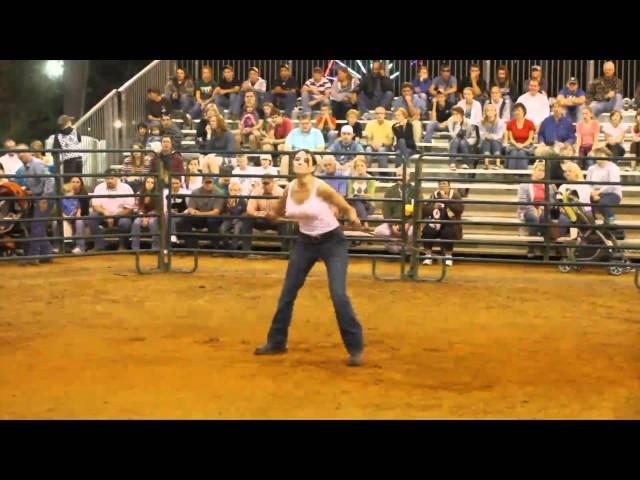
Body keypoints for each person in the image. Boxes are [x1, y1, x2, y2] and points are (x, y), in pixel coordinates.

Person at [253, 150, 365, 367]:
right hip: (305, 242)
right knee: (287, 293)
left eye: (305, 160)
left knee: (338, 294)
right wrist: (269, 216)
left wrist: (353, 218)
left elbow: (346, 208)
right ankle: (276, 342)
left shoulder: (321, 187)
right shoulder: (290, 188)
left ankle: (355, 348)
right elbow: (276, 213)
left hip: (332, 242)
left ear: (313, 167)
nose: (300, 162)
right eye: (297, 159)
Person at [88, 169, 135, 251]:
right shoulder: (99, 188)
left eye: (111, 178)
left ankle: (122, 246)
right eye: (107, 178)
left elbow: (129, 208)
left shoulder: (126, 188)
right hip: (104, 214)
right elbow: (95, 205)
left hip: (121, 215)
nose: (109, 181)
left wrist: (114, 216)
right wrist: (105, 212)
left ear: (117, 178)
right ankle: (99, 246)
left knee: (125, 222)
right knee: (92, 217)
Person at [516, 161, 556, 256]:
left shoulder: (548, 186)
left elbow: (551, 201)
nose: (541, 173)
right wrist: (534, 209)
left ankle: (542, 245)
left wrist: (541, 208)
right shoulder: (524, 185)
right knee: (534, 217)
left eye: (543, 171)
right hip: (527, 209)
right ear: (533, 171)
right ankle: (532, 247)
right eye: (539, 170)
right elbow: (522, 201)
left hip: (543, 209)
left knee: (543, 217)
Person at [421, 180, 464, 266]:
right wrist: (433, 207)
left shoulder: (455, 195)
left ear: (449, 185)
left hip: (451, 222)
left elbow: (459, 210)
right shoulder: (434, 195)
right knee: (427, 230)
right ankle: (428, 256)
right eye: (440, 184)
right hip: (436, 222)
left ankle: (448, 257)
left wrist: (448, 200)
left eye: (444, 183)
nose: (442, 185)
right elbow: (425, 210)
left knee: (448, 231)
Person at [177, 174, 225, 250]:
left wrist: (199, 213)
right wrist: (192, 211)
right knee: (183, 221)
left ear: (213, 183)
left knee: (212, 221)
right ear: (202, 182)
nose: (208, 184)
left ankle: (216, 248)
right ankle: (192, 247)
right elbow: (190, 208)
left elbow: (216, 212)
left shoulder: (219, 193)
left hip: (211, 217)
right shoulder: (195, 192)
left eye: (210, 182)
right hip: (199, 216)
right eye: (206, 182)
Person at [587, 147, 622, 224]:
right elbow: (588, 184)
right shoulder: (591, 168)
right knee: (582, 200)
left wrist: (599, 192)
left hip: (612, 193)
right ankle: (590, 222)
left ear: (606, 155)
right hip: (594, 193)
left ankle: (610, 223)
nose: (598, 156)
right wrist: (592, 193)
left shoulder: (613, 167)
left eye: (600, 154)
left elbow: (614, 184)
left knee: (603, 203)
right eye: (596, 154)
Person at [504, 103, 536, 170]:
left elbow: (530, 139)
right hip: (514, 145)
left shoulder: (530, 123)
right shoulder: (510, 123)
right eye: (515, 110)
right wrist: (517, 145)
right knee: (514, 152)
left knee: (521, 152)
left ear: (523, 111)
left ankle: (522, 176)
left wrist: (522, 145)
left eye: (518, 110)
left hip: (526, 146)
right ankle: (511, 175)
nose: (516, 112)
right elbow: (511, 139)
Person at [130, 176, 159, 251]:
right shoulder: (139, 193)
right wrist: (143, 217)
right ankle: (135, 248)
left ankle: (155, 247)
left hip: (154, 215)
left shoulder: (158, 194)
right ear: (144, 183)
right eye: (148, 182)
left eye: (152, 183)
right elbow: (137, 208)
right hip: (142, 215)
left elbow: (158, 209)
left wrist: (148, 217)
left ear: (155, 185)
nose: (149, 184)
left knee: (152, 222)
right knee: (136, 222)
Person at [347, 156, 376, 228]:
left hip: (368, 205)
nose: (359, 167)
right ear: (355, 168)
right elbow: (349, 195)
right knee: (356, 200)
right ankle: (365, 223)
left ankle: (360, 223)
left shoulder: (371, 180)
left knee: (357, 199)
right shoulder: (351, 179)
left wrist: (358, 196)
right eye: (357, 166)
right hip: (354, 204)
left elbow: (370, 195)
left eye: (362, 165)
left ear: (366, 167)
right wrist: (358, 196)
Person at [219, 181, 248, 254]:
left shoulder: (242, 200)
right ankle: (228, 248)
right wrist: (227, 214)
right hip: (228, 219)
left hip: (239, 220)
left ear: (239, 191)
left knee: (236, 229)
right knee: (222, 229)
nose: (233, 192)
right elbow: (222, 212)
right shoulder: (225, 200)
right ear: (229, 191)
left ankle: (233, 250)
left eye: (235, 190)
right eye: (231, 190)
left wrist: (238, 218)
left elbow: (245, 213)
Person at [53, 114, 83, 181]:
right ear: (68, 122)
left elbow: (55, 150)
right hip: (78, 158)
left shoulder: (58, 135)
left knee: (68, 181)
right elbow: (79, 139)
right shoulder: (75, 131)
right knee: (78, 180)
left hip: (68, 160)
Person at [447, 106, 478, 170]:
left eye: (457, 114)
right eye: (453, 114)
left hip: (467, 146)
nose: (455, 116)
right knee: (456, 140)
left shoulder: (469, 122)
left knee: (462, 142)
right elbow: (453, 135)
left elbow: (474, 137)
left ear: (462, 114)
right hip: (454, 145)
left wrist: (466, 141)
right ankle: (452, 163)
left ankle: (466, 163)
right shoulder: (450, 120)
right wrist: (457, 124)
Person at [478, 102, 506, 169]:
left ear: (495, 112)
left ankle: (497, 164)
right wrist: (487, 136)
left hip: (497, 143)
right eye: (487, 110)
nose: (490, 112)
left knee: (495, 142)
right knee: (486, 141)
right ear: (485, 112)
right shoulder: (481, 122)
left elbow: (499, 135)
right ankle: (487, 164)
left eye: (492, 110)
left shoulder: (500, 122)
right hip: (485, 143)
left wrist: (491, 136)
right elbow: (481, 134)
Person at [62, 182, 86, 254]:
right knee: (65, 224)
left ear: (73, 191)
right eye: (66, 192)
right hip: (66, 217)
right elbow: (60, 210)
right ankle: (67, 245)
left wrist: (78, 214)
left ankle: (80, 247)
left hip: (75, 217)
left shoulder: (76, 199)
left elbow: (79, 208)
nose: (68, 193)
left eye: (69, 191)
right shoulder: (62, 200)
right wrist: (64, 217)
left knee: (79, 221)